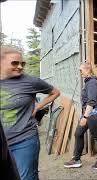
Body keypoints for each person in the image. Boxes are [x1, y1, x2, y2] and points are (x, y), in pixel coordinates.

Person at [0, 46, 60, 180]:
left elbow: (55, 92)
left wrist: (38, 106)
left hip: (24, 139)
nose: (20, 66)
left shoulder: (30, 81)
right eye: (15, 63)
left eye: (22, 63)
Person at [64, 63, 97, 170]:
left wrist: (85, 117)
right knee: (78, 133)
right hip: (89, 114)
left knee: (96, 136)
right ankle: (77, 159)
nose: (80, 72)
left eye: (81, 70)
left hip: (95, 114)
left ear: (88, 70)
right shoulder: (88, 82)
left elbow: (91, 101)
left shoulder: (92, 82)